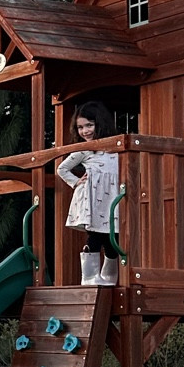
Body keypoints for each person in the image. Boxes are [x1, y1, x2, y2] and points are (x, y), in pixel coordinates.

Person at [56, 101, 121, 285]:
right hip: (94, 199)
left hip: (112, 199)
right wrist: (76, 182)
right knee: (95, 235)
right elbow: (62, 169)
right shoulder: (84, 150)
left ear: (100, 123)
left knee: (112, 236)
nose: (85, 131)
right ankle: (90, 276)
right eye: (80, 127)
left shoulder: (115, 148)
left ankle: (109, 276)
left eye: (89, 125)